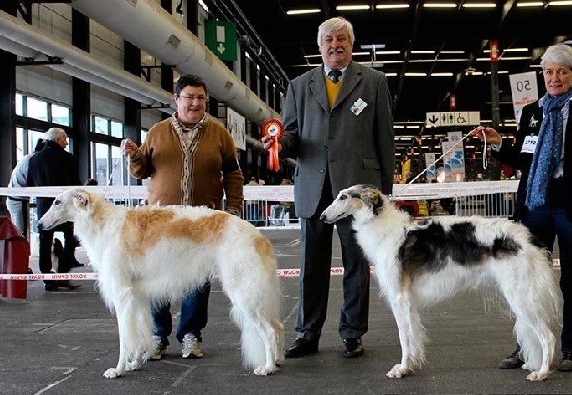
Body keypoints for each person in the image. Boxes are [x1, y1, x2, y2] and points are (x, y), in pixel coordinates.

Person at [471, 43, 572, 372]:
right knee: (526, 279)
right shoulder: (532, 111)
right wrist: (498, 143)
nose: (555, 77)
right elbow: (523, 158)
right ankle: (525, 348)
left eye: (562, 71)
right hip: (535, 204)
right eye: (549, 71)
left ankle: (570, 349)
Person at [262, 16, 395, 359]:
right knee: (311, 266)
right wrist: (279, 145)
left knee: (356, 265)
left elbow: (385, 139)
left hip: (358, 193)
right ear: (319, 46)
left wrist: (384, 194)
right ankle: (307, 334)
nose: (335, 45)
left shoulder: (374, 82)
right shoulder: (298, 85)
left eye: (342, 39)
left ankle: (352, 333)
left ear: (352, 44)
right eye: (329, 40)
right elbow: (291, 133)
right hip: (314, 188)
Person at [120, 74, 244, 360]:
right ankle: (157, 336)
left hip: (203, 222)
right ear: (176, 99)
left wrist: (234, 210)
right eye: (189, 97)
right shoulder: (157, 132)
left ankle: (190, 334)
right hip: (161, 223)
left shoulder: (220, 134)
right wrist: (134, 157)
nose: (196, 103)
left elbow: (234, 175)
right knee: (156, 278)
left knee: (198, 279)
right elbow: (140, 172)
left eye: (201, 98)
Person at [27, 128, 82, 291]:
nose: (66, 142)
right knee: (71, 238)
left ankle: (47, 278)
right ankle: (63, 273)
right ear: (58, 140)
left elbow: (30, 183)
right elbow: (74, 184)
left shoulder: (34, 159)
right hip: (64, 208)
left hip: (43, 206)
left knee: (45, 241)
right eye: (65, 139)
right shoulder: (67, 158)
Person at [6, 138, 45, 237]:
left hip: (12, 198)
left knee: (18, 232)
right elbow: (32, 181)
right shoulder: (33, 161)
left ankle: (17, 252)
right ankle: (21, 253)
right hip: (19, 200)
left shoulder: (27, 157)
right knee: (21, 233)